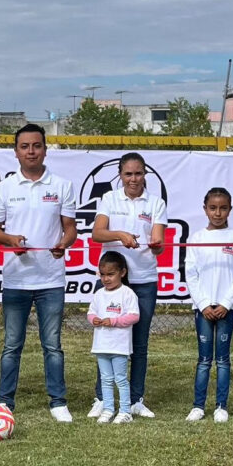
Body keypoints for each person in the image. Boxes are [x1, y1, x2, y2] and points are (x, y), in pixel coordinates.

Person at [0, 124, 78, 421]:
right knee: (12, 345)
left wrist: (63, 244)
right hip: (16, 279)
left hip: (51, 279)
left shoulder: (62, 185)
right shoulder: (3, 189)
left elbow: (70, 230)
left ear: (45, 149)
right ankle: (5, 402)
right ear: (15, 152)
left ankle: (58, 401)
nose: (31, 151)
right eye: (25, 146)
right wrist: (10, 240)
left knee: (52, 345)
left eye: (36, 145)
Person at [89, 152, 167, 419]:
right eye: (128, 174)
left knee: (140, 344)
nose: (134, 179)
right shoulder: (109, 199)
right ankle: (102, 398)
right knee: (107, 340)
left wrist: (157, 245)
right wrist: (120, 235)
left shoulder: (156, 203)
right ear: (120, 176)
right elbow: (97, 233)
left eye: (139, 173)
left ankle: (135, 399)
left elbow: (157, 244)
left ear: (145, 174)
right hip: (112, 282)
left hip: (144, 281)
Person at [184, 187, 233, 424]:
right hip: (203, 310)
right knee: (203, 361)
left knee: (222, 360)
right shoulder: (197, 238)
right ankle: (198, 406)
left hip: (225, 309)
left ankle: (221, 406)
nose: (217, 213)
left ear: (230, 209)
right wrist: (202, 304)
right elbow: (191, 274)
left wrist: (226, 303)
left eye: (223, 208)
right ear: (205, 209)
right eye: (213, 208)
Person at [87, 252, 140, 425]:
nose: (106, 278)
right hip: (101, 346)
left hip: (119, 346)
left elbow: (134, 316)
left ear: (122, 273)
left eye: (111, 274)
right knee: (106, 379)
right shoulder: (99, 294)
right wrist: (93, 319)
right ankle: (108, 409)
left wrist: (114, 321)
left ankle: (125, 411)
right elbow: (91, 312)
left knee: (120, 379)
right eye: (102, 274)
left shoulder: (127, 293)